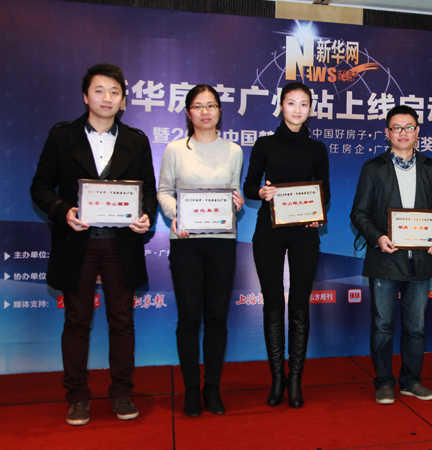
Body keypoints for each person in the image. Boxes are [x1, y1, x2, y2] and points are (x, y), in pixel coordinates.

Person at [30, 63, 156, 426]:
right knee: (76, 322)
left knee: (122, 322)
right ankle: (77, 397)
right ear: (85, 96)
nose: (107, 98)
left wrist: (145, 215)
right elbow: (40, 187)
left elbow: (147, 191)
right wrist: (63, 210)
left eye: (114, 92)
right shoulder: (62, 137)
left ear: (123, 100)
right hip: (77, 244)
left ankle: (121, 392)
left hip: (120, 245)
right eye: (99, 91)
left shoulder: (136, 140)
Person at [350, 105, 432, 405]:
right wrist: (378, 237)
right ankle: (383, 382)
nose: (403, 133)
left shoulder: (430, 168)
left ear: (418, 131)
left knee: (416, 328)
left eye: (409, 127)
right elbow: (359, 213)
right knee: (382, 326)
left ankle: (411, 381)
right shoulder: (373, 168)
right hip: (385, 259)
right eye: (396, 127)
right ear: (387, 133)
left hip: (420, 261)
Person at [157, 85, 244, 416]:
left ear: (220, 110)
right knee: (189, 316)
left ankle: (213, 388)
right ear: (188, 113)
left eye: (211, 105)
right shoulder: (175, 149)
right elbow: (164, 191)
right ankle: (191, 388)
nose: (205, 112)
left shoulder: (233, 151)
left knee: (217, 317)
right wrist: (176, 215)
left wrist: (236, 203)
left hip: (222, 241)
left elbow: (233, 192)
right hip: (186, 242)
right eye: (198, 106)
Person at [244, 81, 330, 409]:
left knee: (298, 304)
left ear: (310, 109)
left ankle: (295, 379)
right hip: (269, 230)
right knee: (272, 304)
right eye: (291, 103)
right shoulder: (264, 144)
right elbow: (249, 186)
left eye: (303, 104)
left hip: (304, 232)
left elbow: (325, 191)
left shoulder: (317, 149)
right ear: (281, 106)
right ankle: (277, 378)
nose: (297, 109)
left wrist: (317, 213)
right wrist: (261, 192)